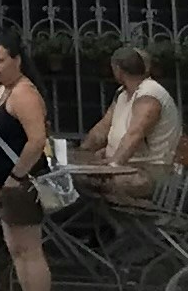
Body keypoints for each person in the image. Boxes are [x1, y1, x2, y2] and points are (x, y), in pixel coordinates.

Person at [0, 31, 60, 291]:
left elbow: (37, 139)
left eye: (0, 60)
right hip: (5, 183)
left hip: (22, 182)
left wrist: (16, 176)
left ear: (17, 59)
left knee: (29, 248)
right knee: (16, 247)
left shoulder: (24, 94)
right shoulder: (2, 91)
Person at [77, 44, 181, 206]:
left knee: (84, 180)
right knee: (76, 176)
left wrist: (113, 164)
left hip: (149, 173)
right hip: (129, 167)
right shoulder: (123, 93)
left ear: (117, 69)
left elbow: (135, 134)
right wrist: (82, 153)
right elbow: (103, 128)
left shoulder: (150, 94)